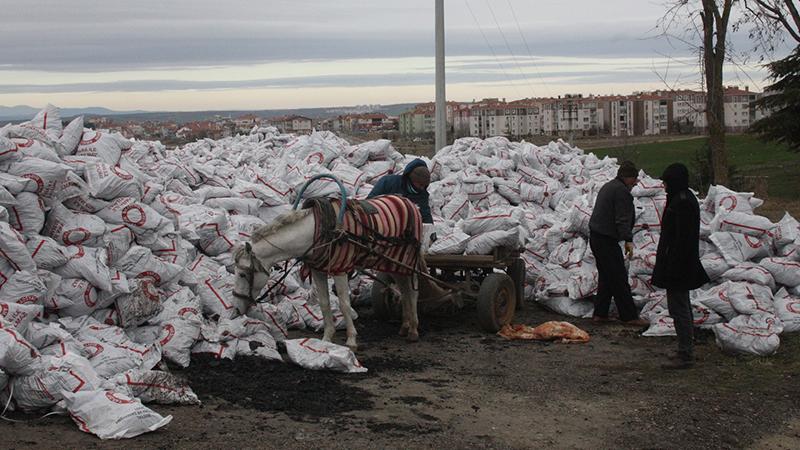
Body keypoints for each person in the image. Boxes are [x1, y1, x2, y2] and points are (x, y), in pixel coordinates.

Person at [651, 163, 710, 370]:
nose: (664, 186)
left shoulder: (682, 202)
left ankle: (685, 354)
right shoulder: (681, 198)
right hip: (677, 264)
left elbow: (682, 240)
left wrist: (672, 268)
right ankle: (685, 349)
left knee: (679, 309)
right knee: (681, 307)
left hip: (679, 266)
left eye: (666, 182)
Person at [369, 159, 451, 302]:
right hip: (384, 229)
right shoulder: (388, 183)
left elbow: (425, 215)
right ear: (410, 178)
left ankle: (426, 289)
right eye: (418, 184)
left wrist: (431, 234)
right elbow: (370, 203)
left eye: (423, 186)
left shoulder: (422, 195)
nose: (420, 188)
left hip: (404, 236)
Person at [588, 160, 648, 327]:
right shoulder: (622, 192)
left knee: (607, 277)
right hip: (606, 240)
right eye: (634, 179)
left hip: (597, 237)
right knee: (619, 277)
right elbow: (622, 219)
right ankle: (629, 316)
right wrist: (628, 239)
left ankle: (600, 314)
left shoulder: (609, 186)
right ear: (627, 177)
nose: (635, 183)